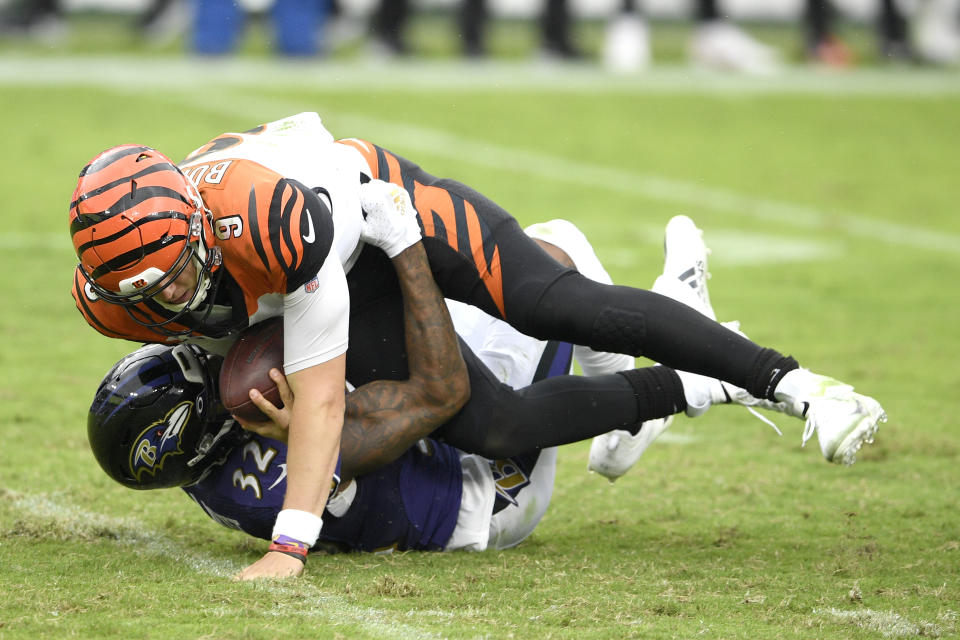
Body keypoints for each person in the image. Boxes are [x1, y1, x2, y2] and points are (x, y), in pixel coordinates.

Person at [69, 111, 885, 578]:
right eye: (140, 292)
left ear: (197, 224)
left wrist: (291, 543)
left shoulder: (273, 218)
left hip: (373, 217)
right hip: (291, 286)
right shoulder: (122, 306)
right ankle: (680, 381)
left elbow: (320, 396)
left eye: (172, 271)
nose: (167, 296)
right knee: (483, 424)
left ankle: (795, 384)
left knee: (550, 303)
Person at [86, 215, 820, 561]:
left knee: (494, 283)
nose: (209, 370)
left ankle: (637, 406)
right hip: (484, 496)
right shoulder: (267, 479)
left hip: (424, 444)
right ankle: (681, 384)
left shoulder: (208, 467)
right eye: (201, 383)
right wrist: (402, 253)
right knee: (554, 245)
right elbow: (439, 395)